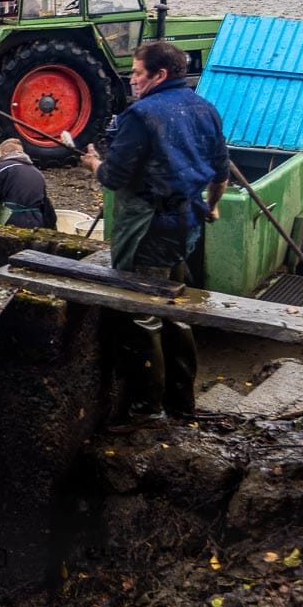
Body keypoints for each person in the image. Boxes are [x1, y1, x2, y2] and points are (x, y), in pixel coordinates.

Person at [80, 41, 229, 432]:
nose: (132, 79)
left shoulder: (141, 116)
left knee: (143, 316)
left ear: (159, 75)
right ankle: (183, 401)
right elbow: (221, 172)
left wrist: (94, 162)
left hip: (149, 232)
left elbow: (113, 178)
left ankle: (149, 410)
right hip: (188, 227)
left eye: (137, 72)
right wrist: (212, 207)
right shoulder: (205, 108)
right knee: (177, 312)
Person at [0, 139, 58, 229]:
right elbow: (46, 206)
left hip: (10, 221)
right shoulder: (38, 173)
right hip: (36, 224)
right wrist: (51, 229)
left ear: (4, 153)